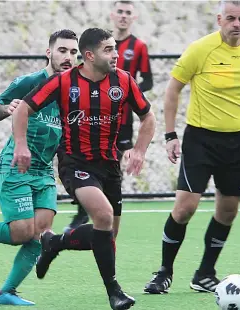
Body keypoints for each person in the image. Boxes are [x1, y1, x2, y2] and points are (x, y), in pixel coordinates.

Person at [12, 28, 156, 310]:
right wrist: (21, 145)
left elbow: (148, 115)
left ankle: (54, 243)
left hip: (109, 165)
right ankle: (114, 292)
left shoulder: (123, 80)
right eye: (108, 50)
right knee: (102, 216)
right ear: (89, 55)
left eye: (115, 48)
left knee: (108, 236)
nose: (116, 54)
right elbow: (22, 110)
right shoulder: (64, 82)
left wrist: (139, 150)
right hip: (75, 163)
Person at [144, 0, 240, 295]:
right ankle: (164, 272)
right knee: (185, 207)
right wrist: (170, 135)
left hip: (239, 142)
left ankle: (205, 273)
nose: (236, 24)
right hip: (201, 140)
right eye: (231, 18)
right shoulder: (200, 49)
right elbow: (172, 90)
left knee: (228, 211)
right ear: (219, 19)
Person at [0, 29, 79, 306]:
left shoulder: (73, 91)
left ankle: (7, 292)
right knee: (21, 232)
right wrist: (8, 108)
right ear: (49, 53)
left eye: (73, 52)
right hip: (16, 167)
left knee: (40, 233)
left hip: (44, 171)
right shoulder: (29, 82)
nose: (68, 57)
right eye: (62, 50)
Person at [64, 0, 153, 232]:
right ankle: (85, 211)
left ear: (134, 18)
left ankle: (105, 213)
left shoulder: (139, 47)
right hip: (89, 118)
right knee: (86, 158)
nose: (123, 16)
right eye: (120, 12)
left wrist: (125, 94)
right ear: (113, 15)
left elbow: (149, 80)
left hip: (122, 119)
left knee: (113, 163)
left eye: (128, 13)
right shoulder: (100, 43)